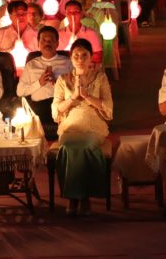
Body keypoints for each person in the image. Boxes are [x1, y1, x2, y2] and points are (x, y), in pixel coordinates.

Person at [52, 39, 113, 216]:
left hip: (93, 124)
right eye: (76, 56)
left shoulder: (100, 77)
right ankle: (77, 196)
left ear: (91, 57)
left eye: (84, 55)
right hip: (70, 125)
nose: (80, 59)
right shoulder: (63, 80)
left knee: (85, 145)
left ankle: (79, 196)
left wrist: (87, 96)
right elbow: (56, 110)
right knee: (69, 146)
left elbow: (108, 107)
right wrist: (73, 98)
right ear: (71, 58)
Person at [17, 26, 72, 138]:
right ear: (38, 43)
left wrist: (58, 84)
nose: (47, 43)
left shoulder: (67, 63)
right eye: (44, 40)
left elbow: (75, 89)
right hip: (38, 107)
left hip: (61, 105)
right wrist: (39, 83)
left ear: (57, 43)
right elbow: (20, 92)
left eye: (51, 40)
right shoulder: (31, 65)